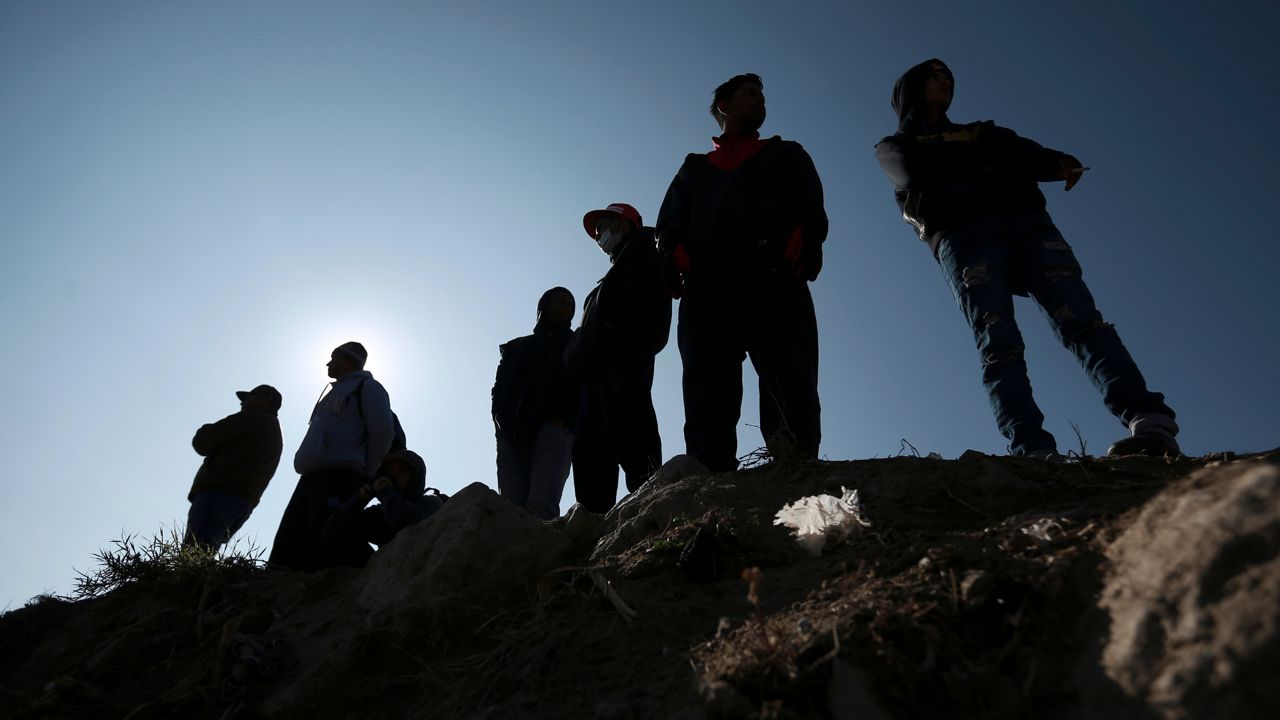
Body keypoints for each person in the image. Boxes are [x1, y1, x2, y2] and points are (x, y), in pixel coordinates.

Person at [874, 59, 1179, 458]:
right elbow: (918, 173)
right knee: (999, 343)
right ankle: (1032, 450)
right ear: (912, 87)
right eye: (934, 76)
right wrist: (996, 164)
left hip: (1028, 225)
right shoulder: (895, 147)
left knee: (1083, 322)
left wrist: (1043, 163)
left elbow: (1030, 155)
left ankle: (1151, 424)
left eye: (949, 76)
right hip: (965, 241)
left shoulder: (985, 132)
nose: (946, 81)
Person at [655, 73, 828, 472]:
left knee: (790, 376)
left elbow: (810, 203)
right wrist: (670, 252)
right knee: (707, 387)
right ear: (724, 106)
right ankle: (710, 473)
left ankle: (793, 464)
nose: (761, 100)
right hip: (708, 288)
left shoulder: (786, 153)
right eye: (751, 93)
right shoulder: (695, 168)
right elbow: (670, 220)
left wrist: (810, 235)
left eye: (763, 94)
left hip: (774, 278)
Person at [567, 203, 672, 513]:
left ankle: (652, 506)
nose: (600, 235)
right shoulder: (607, 280)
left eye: (605, 225)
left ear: (626, 222)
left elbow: (652, 306)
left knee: (632, 429)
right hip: (595, 371)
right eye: (597, 232)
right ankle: (594, 520)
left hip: (625, 357)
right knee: (589, 447)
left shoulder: (648, 249)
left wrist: (623, 334)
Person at [269, 341, 397, 570]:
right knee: (291, 539)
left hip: (342, 476)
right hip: (311, 478)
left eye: (333, 358)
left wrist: (367, 471)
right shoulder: (333, 393)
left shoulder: (368, 387)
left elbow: (384, 431)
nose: (328, 363)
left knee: (326, 540)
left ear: (347, 360)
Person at [491, 287, 579, 519]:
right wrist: (500, 423)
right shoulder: (516, 347)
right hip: (511, 433)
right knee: (510, 512)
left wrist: (566, 419)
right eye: (560, 300)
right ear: (543, 307)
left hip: (555, 429)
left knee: (542, 507)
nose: (566, 306)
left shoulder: (575, 342)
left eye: (570, 304)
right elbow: (498, 389)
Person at [184, 384, 283, 548]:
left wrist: (205, 430)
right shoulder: (274, 430)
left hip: (219, 494)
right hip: (241, 502)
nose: (242, 404)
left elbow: (203, 442)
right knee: (206, 549)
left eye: (248, 398)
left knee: (195, 550)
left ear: (263, 401)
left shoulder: (252, 419)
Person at [321, 449, 442, 563]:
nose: (395, 475)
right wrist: (363, 496)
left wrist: (385, 491)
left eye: (403, 471)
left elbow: (404, 519)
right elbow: (332, 531)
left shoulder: (431, 503)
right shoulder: (380, 512)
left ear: (416, 478)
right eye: (391, 471)